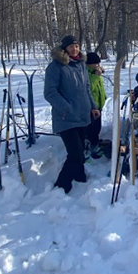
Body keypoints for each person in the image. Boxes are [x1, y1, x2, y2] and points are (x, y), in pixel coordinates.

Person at [44, 35, 100, 193]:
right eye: (71, 47)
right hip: (65, 118)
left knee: (81, 150)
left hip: (82, 115)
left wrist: (93, 107)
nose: (74, 49)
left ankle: (80, 177)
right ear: (64, 49)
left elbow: (86, 88)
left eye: (77, 46)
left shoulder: (81, 63)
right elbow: (50, 93)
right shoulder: (56, 66)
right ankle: (61, 186)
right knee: (75, 153)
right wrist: (66, 108)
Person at [85, 52, 107, 159]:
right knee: (91, 128)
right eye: (95, 64)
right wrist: (95, 76)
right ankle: (91, 144)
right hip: (90, 106)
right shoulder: (87, 74)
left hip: (98, 104)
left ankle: (96, 141)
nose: (97, 65)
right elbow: (89, 88)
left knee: (97, 126)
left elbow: (99, 87)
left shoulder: (96, 72)